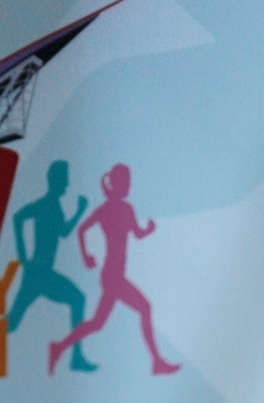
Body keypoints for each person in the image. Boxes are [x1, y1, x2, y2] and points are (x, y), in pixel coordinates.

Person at [48, 163, 179, 376]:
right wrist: (86, 256)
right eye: (126, 181)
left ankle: (59, 347)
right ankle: (157, 361)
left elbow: (136, 233)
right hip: (112, 276)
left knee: (98, 323)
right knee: (144, 308)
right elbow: (83, 229)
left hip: (113, 275)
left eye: (129, 181)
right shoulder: (113, 209)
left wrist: (149, 229)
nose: (129, 185)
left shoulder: (123, 209)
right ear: (118, 183)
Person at [9, 160, 96, 370]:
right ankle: (76, 358)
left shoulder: (54, 205)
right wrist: (23, 256)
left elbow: (61, 232)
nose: (67, 183)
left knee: (12, 322)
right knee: (13, 322)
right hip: (39, 273)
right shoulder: (46, 204)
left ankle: (76, 358)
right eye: (64, 179)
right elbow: (18, 217)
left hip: (41, 273)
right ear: (55, 180)